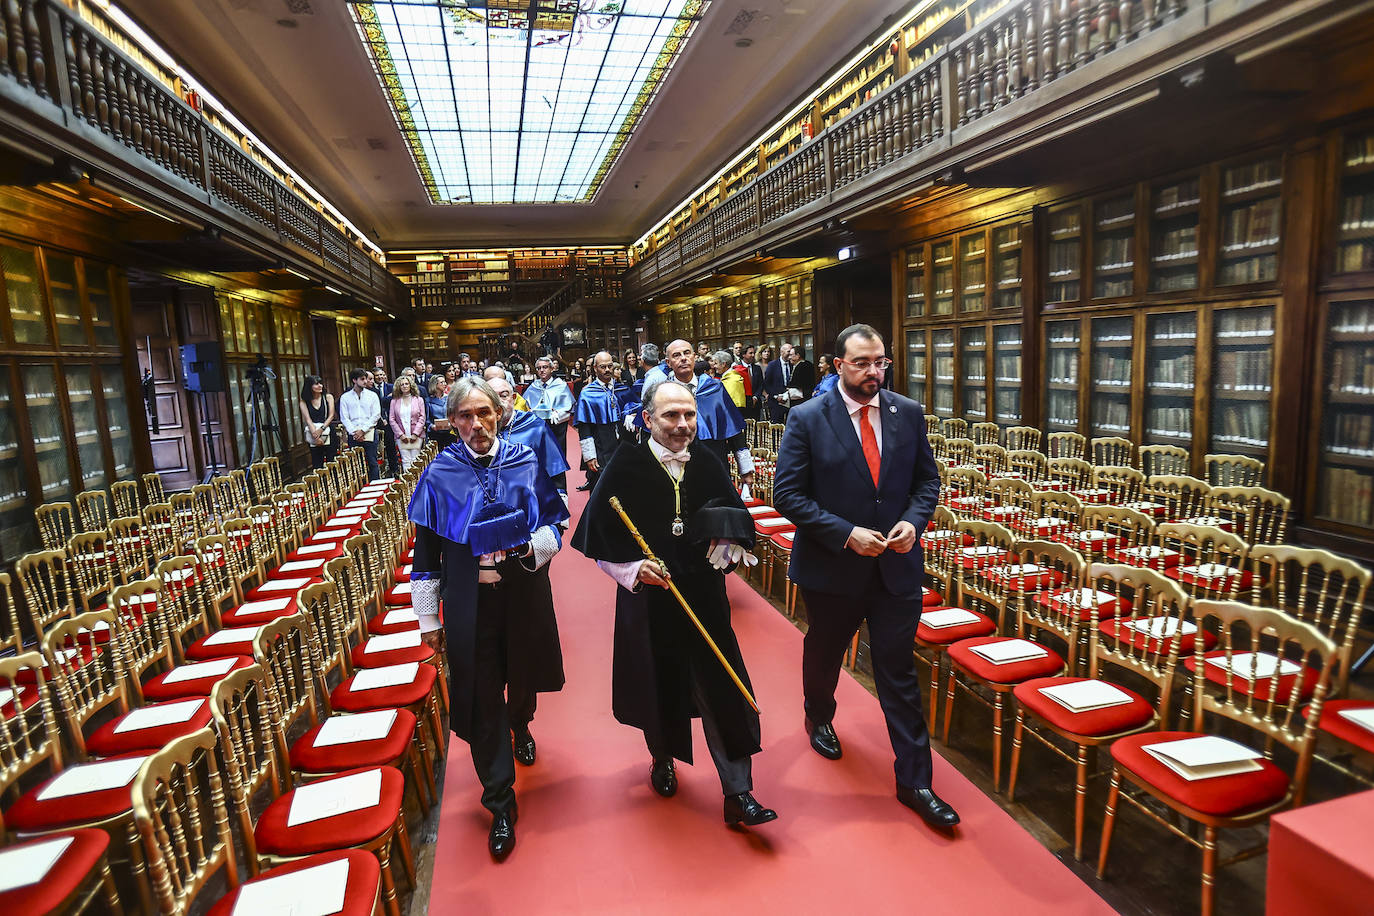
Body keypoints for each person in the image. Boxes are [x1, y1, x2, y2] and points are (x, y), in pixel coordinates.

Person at [772, 324, 958, 831]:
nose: (874, 372)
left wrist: (913, 522)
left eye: (880, 362)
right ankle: (819, 713)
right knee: (826, 652)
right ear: (839, 366)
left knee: (898, 673)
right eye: (862, 363)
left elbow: (926, 481)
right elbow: (786, 495)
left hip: (896, 566)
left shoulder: (907, 413)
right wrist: (846, 532)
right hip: (833, 568)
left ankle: (915, 781)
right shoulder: (808, 418)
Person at [573, 379, 776, 829]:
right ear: (648, 418)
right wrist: (632, 571)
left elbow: (731, 515)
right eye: (671, 416)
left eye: (689, 415)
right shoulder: (624, 463)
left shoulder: (705, 459)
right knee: (656, 683)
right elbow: (598, 539)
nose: (683, 425)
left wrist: (728, 544)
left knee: (722, 685)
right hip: (650, 598)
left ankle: (738, 791)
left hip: (704, 595)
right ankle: (661, 757)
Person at [410, 378, 569, 862]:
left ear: (499, 412)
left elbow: (554, 525)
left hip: (522, 591)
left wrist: (529, 547)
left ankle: (521, 724)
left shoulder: (524, 457)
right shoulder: (439, 473)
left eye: (484, 412)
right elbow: (426, 555)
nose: (476, 424)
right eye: (465, 416)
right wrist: (427, 621)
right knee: (481, 697)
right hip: (469, 602)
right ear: (451, 421)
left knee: (522, 679)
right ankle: (500, 802)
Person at [648, 340, 753, 484]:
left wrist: (746, 470)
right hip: (676, 461)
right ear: (668, 362)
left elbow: (733, 430)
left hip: (714, 458)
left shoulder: (715, 388)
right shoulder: (661, 393)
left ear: (694, 357)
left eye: (687, 353)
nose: (683, 358)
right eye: (676, 355)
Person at [574, 350, 631, 492]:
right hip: (601, 447)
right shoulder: (588, 393)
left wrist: (631, 413)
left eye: (610, 366)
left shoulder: (621, 388)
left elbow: (634, 407)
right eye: (602, 367)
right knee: (601, 489)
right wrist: (589, 456)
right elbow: (584, 427)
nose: (607, 370)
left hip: (623, 446)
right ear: (595, 368)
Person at [339, 368, 381, 481]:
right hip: (354, 434)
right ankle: (360, 489)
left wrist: (363, 430)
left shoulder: (372, 395)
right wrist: (355, 432)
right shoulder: (345, 397)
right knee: (356, 464)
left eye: (366, 379)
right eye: (362, 379)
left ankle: (375, 488)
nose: (365, 381)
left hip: (369, 431)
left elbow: (376, 415)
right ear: (354, 380)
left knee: (372, 462)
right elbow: (344, 417)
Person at [524, 356, 575, 448]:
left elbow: (568, 406)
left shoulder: (560, 385)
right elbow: (525, 405)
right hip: (537, 426)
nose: (542, 370)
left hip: (556, 426)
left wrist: (558, 413)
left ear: (552, 369)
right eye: (539, 368)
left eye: (545, 367)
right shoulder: (533, 386)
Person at [389, 374, 426, 471]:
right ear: (399, 387)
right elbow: (392, 419)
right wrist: (400, 435)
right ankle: (407, 484)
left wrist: (416, 433)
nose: (404, 386)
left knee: (416, 460)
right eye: (402, 384)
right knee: (405, 460)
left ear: (411, 385)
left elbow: (422, 417)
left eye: (406, 384)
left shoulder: (418, 400)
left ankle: (417, 483)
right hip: (401, 435)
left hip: (416, 435)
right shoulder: (394, 401)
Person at [298, 375, 337, 469]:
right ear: (309, 386)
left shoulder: (328, 397)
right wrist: (315, 434)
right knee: (317, 462)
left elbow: (331, 415)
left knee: (331, 461)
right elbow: (308, 419)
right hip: (313, 432)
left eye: (320, 383)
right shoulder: (304, 402)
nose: (320, 386)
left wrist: (321, 429)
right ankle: (321, 483)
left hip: (328, 430)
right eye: (316, 384)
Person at [373, 367, 397, 477]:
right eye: (377, 375)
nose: (380, 377)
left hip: (389, 420)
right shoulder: (370, 389)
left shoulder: (391, 387)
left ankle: (394, 469)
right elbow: (377, 404)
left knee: (391, 445)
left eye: (381, 375)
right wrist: (386, 399)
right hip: (376, 422)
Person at [762, 341, 793, 423]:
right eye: (789, 351)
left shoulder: (792, 364)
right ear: (782, 352)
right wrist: (776, 396)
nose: (791, 354)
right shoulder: (772, 365)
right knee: (776, 428)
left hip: (790, 400)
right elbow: (767, 383)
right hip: (776, 402)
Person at [427, 375, 453, 448]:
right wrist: (432, 426)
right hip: (435, 433)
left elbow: (453, 414)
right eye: (442, 382)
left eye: (445, 382)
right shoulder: (428, 401)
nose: (445, 384)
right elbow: (427, 419)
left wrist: (451, 424)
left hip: (449, 432)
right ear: (435, 385)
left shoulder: (449, 398)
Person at [741, 344, 764, 422]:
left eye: (753, 353)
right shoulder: (737, 368)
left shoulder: (757, 368)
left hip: (756, 404)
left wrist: (755, 397)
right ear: (744, 355)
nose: (753, 355)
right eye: (750, 353)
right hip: (743, 404)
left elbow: (761, 384)